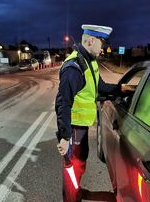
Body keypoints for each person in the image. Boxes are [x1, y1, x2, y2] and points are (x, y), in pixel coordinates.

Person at [55, 24, 124, 202]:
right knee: (73, 168)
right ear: (91, 41)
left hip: (82, 127)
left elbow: (99, 87)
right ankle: (71, 199)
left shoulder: (90, 61)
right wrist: (64, 136)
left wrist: (122, 90)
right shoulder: (74, 67)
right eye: (102, 43)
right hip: (73, 129)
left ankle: (75, 193)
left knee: (80, 164)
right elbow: (63, 103)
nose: (103, 48)